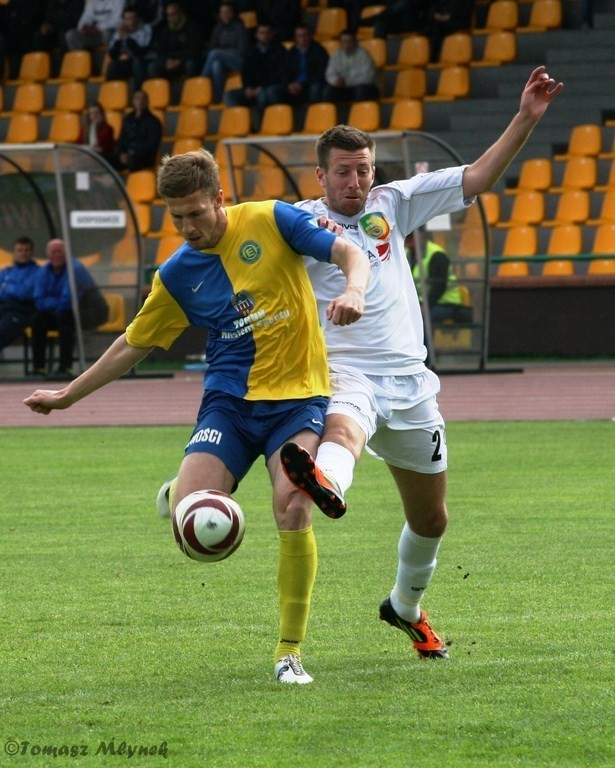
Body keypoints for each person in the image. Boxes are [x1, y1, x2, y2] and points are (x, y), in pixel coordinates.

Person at [23, 148, 371, 685]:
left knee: (294, 505)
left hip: (297, 398)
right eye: (176, 216)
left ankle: (288, 653)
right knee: (193, 534)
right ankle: (181, 493)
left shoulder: (272, 219)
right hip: (228, 407)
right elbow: (129, 345)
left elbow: (351, 253)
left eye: (196, 213)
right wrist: (68, 396)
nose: (187, 226)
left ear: (219, 199)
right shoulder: (177, 274)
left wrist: (352, 290)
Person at [280, 66, 563, 660]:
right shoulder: (298, 221)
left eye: (363, 170)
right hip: (343, 373)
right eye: (343, 171)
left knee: (432, 520)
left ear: (373, 171)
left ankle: (404, 607)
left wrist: (526, 118)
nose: (355, 181)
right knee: (343, 426)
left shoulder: (393, 204)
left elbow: (479, 176)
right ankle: (325, 478)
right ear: (320, 175)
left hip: (410, 384)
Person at [30, 238, 99, 379]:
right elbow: (38, 299)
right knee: (37, 319)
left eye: (60, 251)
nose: (57, 255)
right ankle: (39, 368)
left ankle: (65, 367)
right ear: (48, 255)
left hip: (87, 313)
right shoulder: (43, 271)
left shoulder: (76, 269)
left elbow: (69, 299)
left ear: (67, 253)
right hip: (58, 312)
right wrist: (54, 303)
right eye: (53, 252)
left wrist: (51, 303)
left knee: (65, 317)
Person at [223, 22, 287, 131]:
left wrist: (261, 87)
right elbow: (245, 72)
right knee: (229, 96)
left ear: (272, 35)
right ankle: (247, 126)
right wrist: (247, 87)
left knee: (263, 96)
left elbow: (279, 74)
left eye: (267, 33)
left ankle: (263, 128)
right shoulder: (251, 51)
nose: (265, 36)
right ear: (257, 35)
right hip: (252, 89)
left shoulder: (279, 50)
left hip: (268, 87)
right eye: (262, 33)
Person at [406, 230, 472, 326]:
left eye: (411, 236)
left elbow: (438, 288)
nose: (408, 239)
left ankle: (424, 342)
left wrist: (424, 307)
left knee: (420, 319)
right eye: (407, 236)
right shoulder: (405, 253)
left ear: (422, 236)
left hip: (445, 303)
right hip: (420, 302)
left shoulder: (437, 255)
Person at [265, 24, 329, 107]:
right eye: (299, 36)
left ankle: (314, 114)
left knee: (315, 88)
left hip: (309, 85)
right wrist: (289, 84)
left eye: (305, 35)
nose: (302, 39)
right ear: (295, 38)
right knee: (272, 90)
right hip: (293, 86)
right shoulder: (292, 52)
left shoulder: (319, 50)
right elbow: (285, 71)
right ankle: (281, 115)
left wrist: (302, 84)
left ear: (310, 36)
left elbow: (321, 72)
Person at [200, 2, 250, 103]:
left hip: (239, 60)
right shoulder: (218, 28)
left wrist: (223, 53)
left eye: (228, 12)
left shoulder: (239, 27)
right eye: (223, 12)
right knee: (216, 65)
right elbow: (212, 47)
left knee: (215, 54)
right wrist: (221, 53)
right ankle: (220, 97)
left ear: (232, 13)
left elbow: (243, 50)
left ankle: (201, 83)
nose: (225, 15)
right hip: (222, 59)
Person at [0, 236, 40, 353]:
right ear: (14, 252)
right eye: (20, 250)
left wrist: (7, 288)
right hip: (3, 309)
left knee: (3, 330)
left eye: (26, 250)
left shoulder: (38, 272)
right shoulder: (6, 272)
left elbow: (24, 293)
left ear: (31, 252)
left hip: (21, 311)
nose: (23, 253)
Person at [147, 1, 204, 81]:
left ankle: (189, 89)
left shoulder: (191, 27)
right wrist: (166, 60)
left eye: (173, 15)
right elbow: (161, 50)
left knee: (190, 64)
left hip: (184, 61)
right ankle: (161, 90)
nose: (171, 18)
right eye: (169, 16)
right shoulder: (165, 30)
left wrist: (179, 60)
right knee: (153, 67)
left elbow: (194, 50)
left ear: (180, 13)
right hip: (170, 61)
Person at [322, 29, 379, 104]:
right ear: (340, 43)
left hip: (363, 88)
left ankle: (361, 114)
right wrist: (336, 81)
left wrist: (347, 82)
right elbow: (329, 74)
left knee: (361, 90)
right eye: (344, 42)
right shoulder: (336, 55)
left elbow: (368, 78)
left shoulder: (364, 55)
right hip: (344, 89)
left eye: (350, 41)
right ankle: (329, 114)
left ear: (355, 42)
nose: (347, 44)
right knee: (328, 90)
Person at [112, 89, 162, 172]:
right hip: (127, 155)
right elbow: (121, 139)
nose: (140, 101)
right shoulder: (128, 119)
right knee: (107, 160)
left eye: (143, 98)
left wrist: (132, 153)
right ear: (133, 101)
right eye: (137, 98)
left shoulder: (153, 121)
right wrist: (122, 153)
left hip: (143, 157)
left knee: (133, 161)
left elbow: (152, 146)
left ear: (147, 101)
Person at [105, 6, 153, 89]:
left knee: (137, 63)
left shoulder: (145, 29)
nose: (131, 22)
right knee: (113, 66)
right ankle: (111, 95)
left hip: (145, 61)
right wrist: (119, 39)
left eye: (132, 18)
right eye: (127, 19)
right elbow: (113, 55)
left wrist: (127, 37)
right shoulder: (120, 31)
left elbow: (140, 52)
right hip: (130, 62)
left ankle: (137, 94)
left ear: (138, 19)